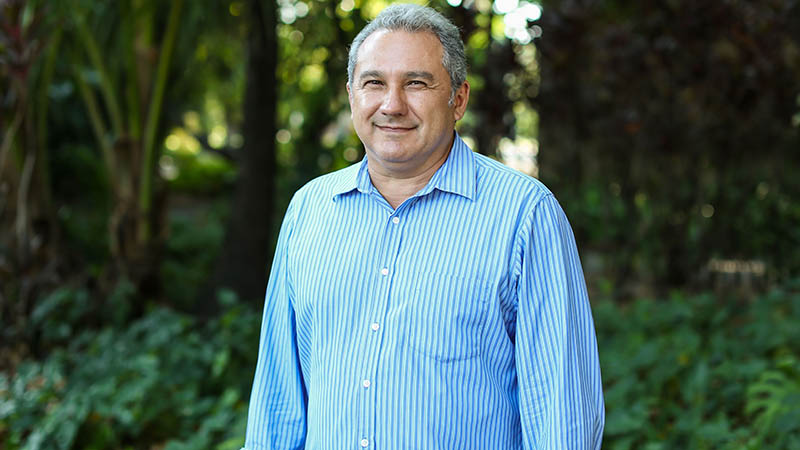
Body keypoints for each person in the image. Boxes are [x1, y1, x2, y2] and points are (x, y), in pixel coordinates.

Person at [242, 4, 604, 449]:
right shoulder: (308, 210)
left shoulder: (525, 216)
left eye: (416, 83)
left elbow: (561, 416)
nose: (392, 105)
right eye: (374, 83)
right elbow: (278, 399)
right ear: (352, 94)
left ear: (458, 99)